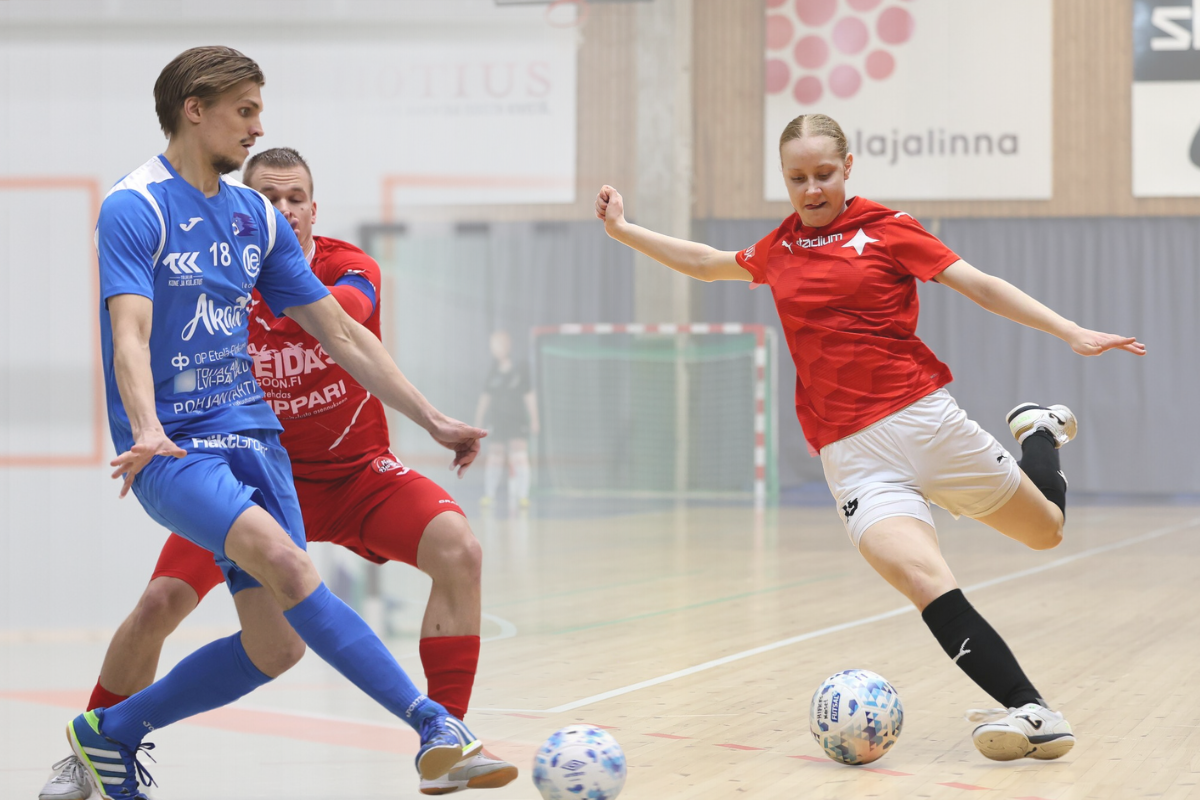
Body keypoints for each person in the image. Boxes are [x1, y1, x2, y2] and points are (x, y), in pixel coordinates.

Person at [594, 113, 1145, 762]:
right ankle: (1032, 710)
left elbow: (982, 287)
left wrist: (1071, 331)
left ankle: (1039, 431)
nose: (811, 189)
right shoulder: (778, 248)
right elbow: (709, 263)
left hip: (926, 423)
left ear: (848, 167)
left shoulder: (888, 230)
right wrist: (623, 230)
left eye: (824, 174)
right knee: (923, 579)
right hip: (853, 461)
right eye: (797, 178)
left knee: (1046, 528)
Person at [60, 46, 491, 800]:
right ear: (195, 109)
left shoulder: (253, 215)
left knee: (277, 646)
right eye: (246, 111)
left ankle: (111, 734)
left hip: (258, 441)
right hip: (177, 448)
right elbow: (127, 332)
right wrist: (146, 429)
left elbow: (345, 332)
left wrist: (432, 418)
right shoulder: (137, 206)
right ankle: (432, 724)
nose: (259, 127)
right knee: (285, 570)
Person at [474, 330, 538, 509]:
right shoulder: (492, 370)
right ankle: (489, 495)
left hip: (517, 420)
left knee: (519, 456)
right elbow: (485, 397)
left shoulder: (521, 368)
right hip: (498, 420)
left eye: (496, 345)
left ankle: (523, 496)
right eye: (492, 345)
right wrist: (478, 419)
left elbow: (529, 395)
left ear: (506, 346)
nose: (493, 349)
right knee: (495, 456)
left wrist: (534, 419)